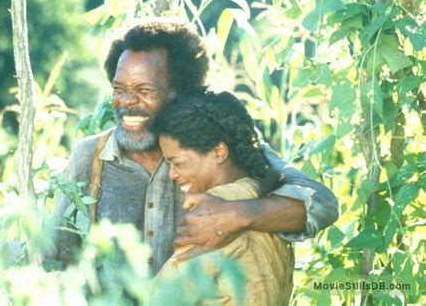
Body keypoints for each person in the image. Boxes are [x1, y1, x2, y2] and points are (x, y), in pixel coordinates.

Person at [48, 19, 339, 275]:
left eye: (144, 90)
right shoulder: (90, 157)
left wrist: (235, 214)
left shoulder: (216, 149)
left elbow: (322, 205)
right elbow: (55, 257)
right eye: (119, 89)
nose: (126, 102)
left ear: (181, 93)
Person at [151, 89, 294, 305]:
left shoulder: (218, 210)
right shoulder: (266, 200)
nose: (171, 174)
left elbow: (160, 298)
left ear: (219, 151)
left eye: (177, 163)